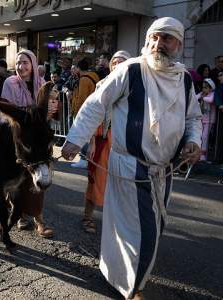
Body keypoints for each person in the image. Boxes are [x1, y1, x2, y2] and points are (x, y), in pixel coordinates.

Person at [61, 17, 202, 299]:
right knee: (143, 231)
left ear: (178, 44)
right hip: (129, 166)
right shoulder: (131, 70)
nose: (159, 44)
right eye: (155, 37)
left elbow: (193, 118)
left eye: (166, 38)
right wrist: (75, 140)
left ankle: (120, 273)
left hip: (165, 170)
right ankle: (133, 288)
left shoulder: (184, 77)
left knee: (147, 228)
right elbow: (95, 104)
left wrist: (193, 142)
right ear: (147, 40)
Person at [1, 49, 55, 238]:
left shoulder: (41, 84)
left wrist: (51, 110)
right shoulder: (10, 83)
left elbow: (49, 112)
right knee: (17, 180)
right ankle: (20, 216)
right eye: (17, 63)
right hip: (18, 139)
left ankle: (39, 220)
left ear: (32, 64)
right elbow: (7, 112)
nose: (21, 66)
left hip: (38, 143)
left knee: (39, 182)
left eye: (25, 62)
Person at [82, 50, 131, 234]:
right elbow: (94, 114)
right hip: (104, 139)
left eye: (122, 62)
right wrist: (92, 141)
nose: (117, 65)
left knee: (122, 184)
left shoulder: (135, 88)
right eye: (115, 62)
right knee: (97, 180)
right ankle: (87, 217)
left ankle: (117, 221)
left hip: (126, 142)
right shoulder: (102, 84)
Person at [71, 58, 99, 168]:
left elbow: (81, 98)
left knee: (84, 136)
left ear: (78, 68)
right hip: (94, 110)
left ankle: (83, 159)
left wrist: (76, 112)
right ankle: (88, 158)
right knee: (90, 136)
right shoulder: (94, 76)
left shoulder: (83, 80)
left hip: (85, 112)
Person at [196, 78, 216, 161]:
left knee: (205, 137)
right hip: (202, 119)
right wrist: (200, 96)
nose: (203, 89)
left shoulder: (212, 94)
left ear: (211, 88)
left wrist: (202, 97)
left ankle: (204, 155)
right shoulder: (202, 94)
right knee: (200, 136)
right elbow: (194, 97)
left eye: (206, 88)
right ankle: (199, 153)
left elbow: (211, 100)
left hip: (209, 120)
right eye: (203, 87)